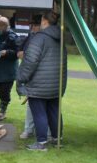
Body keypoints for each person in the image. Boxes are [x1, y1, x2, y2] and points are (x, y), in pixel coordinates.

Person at [16, 10, 67, 151]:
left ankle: (41, 143)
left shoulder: (39, 38)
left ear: (44, 21)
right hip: (56, 84)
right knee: (55, 111)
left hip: (39, 85)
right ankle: (57, 139)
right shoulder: (60, 39)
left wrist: (21, 79)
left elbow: (30, 61)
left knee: (39, 113)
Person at [17, 14, 42, 139]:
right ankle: (29, 129)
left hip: (39, 76)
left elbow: (36, 57)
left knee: (40, 105)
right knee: (31, 104)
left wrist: (24, 55)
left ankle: (42, 132)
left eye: (35, 25)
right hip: (29, 75)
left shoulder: (43, 39)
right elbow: (21, 50)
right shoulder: (31, 36)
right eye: (32, 25)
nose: (32, 27)